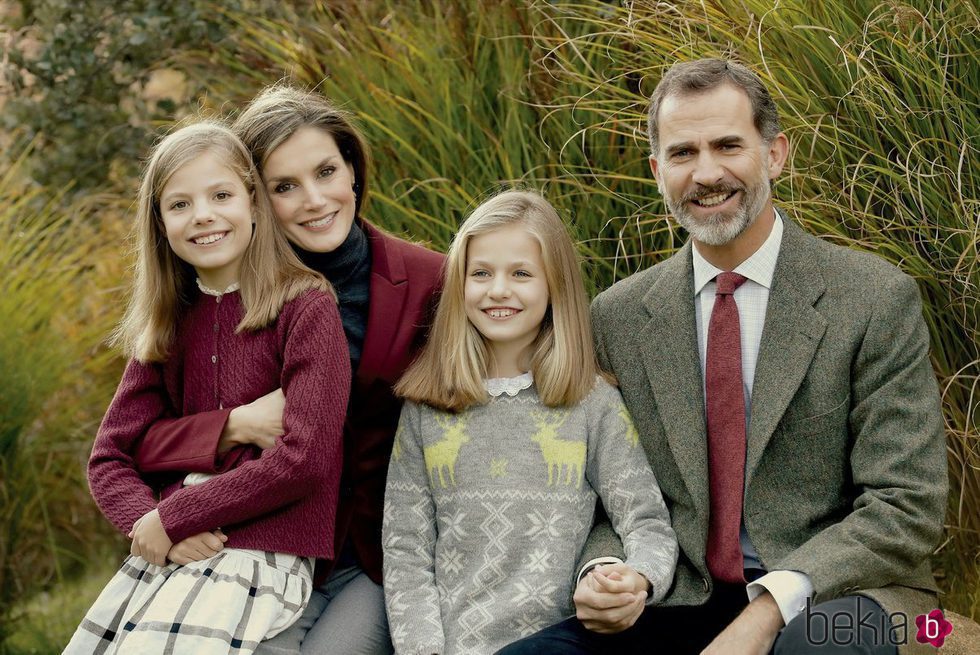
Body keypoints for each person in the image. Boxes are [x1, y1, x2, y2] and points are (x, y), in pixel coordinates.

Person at [498, 59, 947, 655]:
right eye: (683, 154)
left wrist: (766, 612)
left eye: (728, 145)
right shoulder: (619, 316)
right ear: (658, 171)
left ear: (775, 154)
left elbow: (906, 505)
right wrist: (604, 571)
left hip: (843, 595)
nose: (706, 173)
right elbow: (607, 493)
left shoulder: (872, 299)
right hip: (679, 593)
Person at [131, 84, 445, 654]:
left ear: (353, 169)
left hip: (379, 554)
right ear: (253, 197)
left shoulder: (432, 282)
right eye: (284, 187)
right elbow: (134, 441)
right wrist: (232, 425)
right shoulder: (216, 296)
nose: (315, 200)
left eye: (327, 171)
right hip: (254, 549)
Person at [64, 121, 350, 654]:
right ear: (160, 223)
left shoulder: (305, 308)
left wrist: (172, 517)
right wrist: (153, 528)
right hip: (181, 552)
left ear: (254, 203)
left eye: (220, 195)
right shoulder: (169, 324)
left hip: (265, 554)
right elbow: (109, 458)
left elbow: (304, 460)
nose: (203, 215)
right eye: (180, 204)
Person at [383, 189, 678, 655]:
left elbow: (645, 520)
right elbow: (406, 553)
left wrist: (636, 578)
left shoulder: (591, 401)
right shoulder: (427, 408)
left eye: (521, 273)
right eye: (481, 273)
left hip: (559, 641)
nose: (498, 289)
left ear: (554, 286)